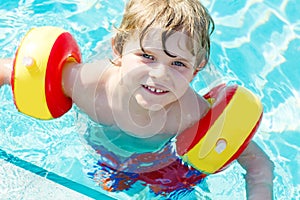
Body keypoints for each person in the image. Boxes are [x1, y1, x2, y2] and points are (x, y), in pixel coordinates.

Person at [0, 0, 274, 199]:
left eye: (178, 63)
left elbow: (258, 162)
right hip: (100, 157)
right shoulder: (84, 84)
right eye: (147, 56)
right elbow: (10, 70)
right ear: (118, 50)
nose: (160, 74)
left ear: (196, 70)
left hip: (165, 171)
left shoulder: (192, 114)